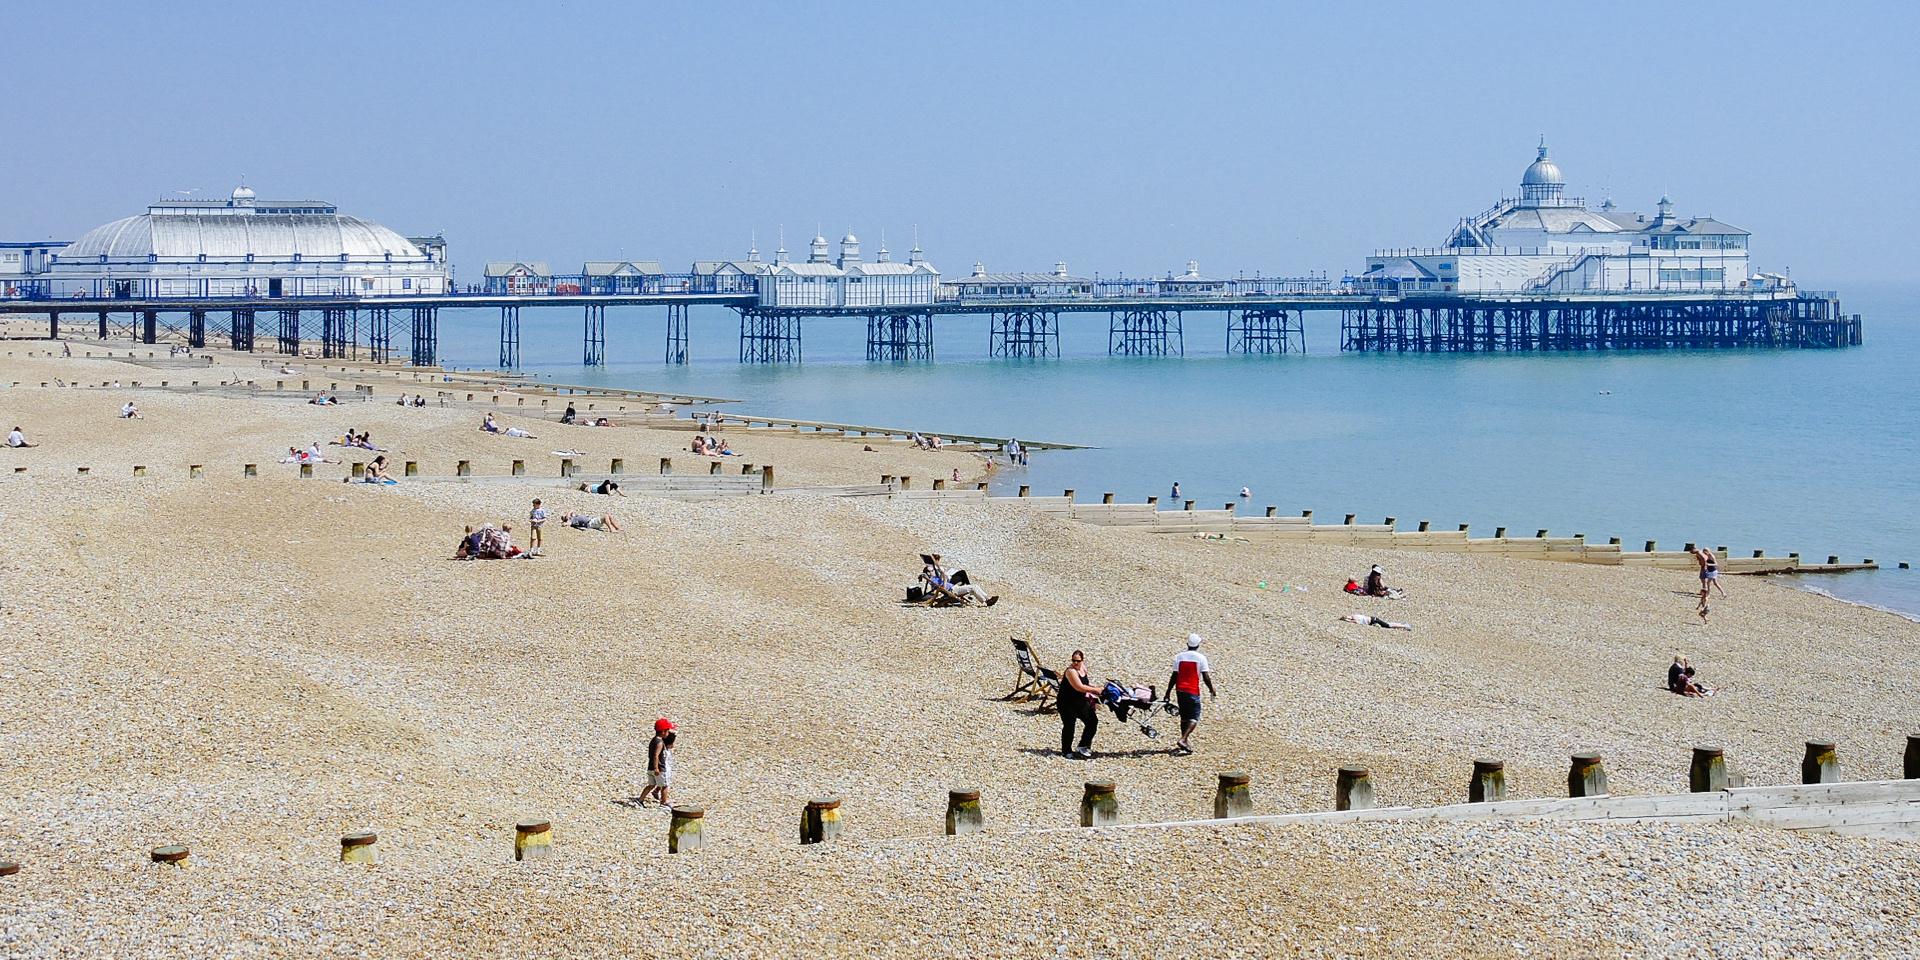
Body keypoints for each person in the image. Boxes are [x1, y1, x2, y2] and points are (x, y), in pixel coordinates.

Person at [1165, 633, 1217, 756]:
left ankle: (1185, 741)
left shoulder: (1180, 657)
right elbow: (1206, 677)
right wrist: (1211, 689)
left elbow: (1174, 676)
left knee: (1184, 716)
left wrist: (1168, 692)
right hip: (1192, 690)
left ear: (1188, 644)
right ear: (1198, 645)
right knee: (1194, 715)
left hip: (1180, 690)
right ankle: (1183, 739)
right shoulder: (1201, 658)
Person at [1058, 650, 1100, 759]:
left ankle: (1083, 745)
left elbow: (1085, 684)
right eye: (1073, 660)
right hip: (1066, 703)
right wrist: (1096, 689)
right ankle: (1066, 751)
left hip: (1080, 702)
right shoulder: (1071, 671)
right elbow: (1079, 687)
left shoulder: (1083, 668)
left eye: (1078, 661)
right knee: (1069, 725)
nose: (1075, 663)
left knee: (1092, 721)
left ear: (1082, 661)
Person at [637, 719, 676, 806]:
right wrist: (656, 768)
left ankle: (640, 799)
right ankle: (664, 802)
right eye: (668, 731)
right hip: (659, 768)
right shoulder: (660, 743)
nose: (668, 733)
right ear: (663, 731)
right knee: (665, 785)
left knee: (651, 785)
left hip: (650, 767)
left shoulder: (653, 740)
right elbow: (656, 755)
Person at [1339, 613, 1412, 630]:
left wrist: (1348, 621)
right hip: (1373, 620)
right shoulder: (1354, 615)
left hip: (1373, 621)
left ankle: (1404, 626)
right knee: (1387, 624)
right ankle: (1401, 624)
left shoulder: (1354, 617)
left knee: (1388, 625)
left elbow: (1356, 622)